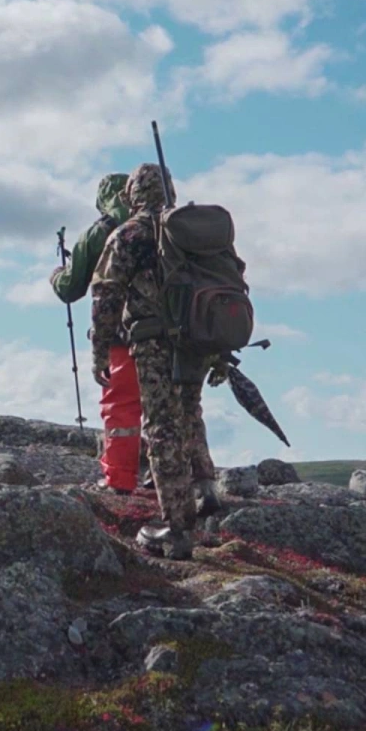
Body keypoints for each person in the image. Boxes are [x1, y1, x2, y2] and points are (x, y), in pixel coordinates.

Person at [88, 164, 219, 559]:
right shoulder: (194, 232)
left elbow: (107, 295)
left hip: (154, 341)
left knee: (161, 426)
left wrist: (99, 349)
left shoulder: (130, 234)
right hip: (199, 338)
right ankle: (205, 487)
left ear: (132, 195)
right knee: (189, 411)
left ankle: (177, 529)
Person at [51, 173, 143, 495]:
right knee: (174, 409)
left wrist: (56, 276)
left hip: (124, 333)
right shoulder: (165, 225)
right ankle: (177, 478)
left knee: (122, 406)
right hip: (174, 334)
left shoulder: (102, 231)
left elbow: (70, 288)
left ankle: (119, 480)